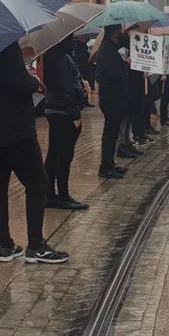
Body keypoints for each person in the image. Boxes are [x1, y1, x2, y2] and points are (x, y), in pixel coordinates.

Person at [0, 41, 69, 265]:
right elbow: (16, 82)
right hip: (15, 129)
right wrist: (33, 80)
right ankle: (36, 245)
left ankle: (5, 245)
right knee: (38, 182)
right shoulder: (5, 43)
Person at [42, 36, 88, 211]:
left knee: (54, 153)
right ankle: (63, 196)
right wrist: (75, 113)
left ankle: (49, 194)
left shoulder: (50, 56)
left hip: (53, 110)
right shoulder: (62, 58)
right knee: (64, 155)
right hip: (64, 112)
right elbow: (66, 89)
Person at [95, 25, 129, 179]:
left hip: (114, 96)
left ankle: (110, 163)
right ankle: (106, 167)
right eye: (119, 31)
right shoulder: (107, 50)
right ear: (114, 32)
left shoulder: (112, 48)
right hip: (111, 97)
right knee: (110, 133)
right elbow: (113, 73)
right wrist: (125, 64)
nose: (122, 33)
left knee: (113, 132)